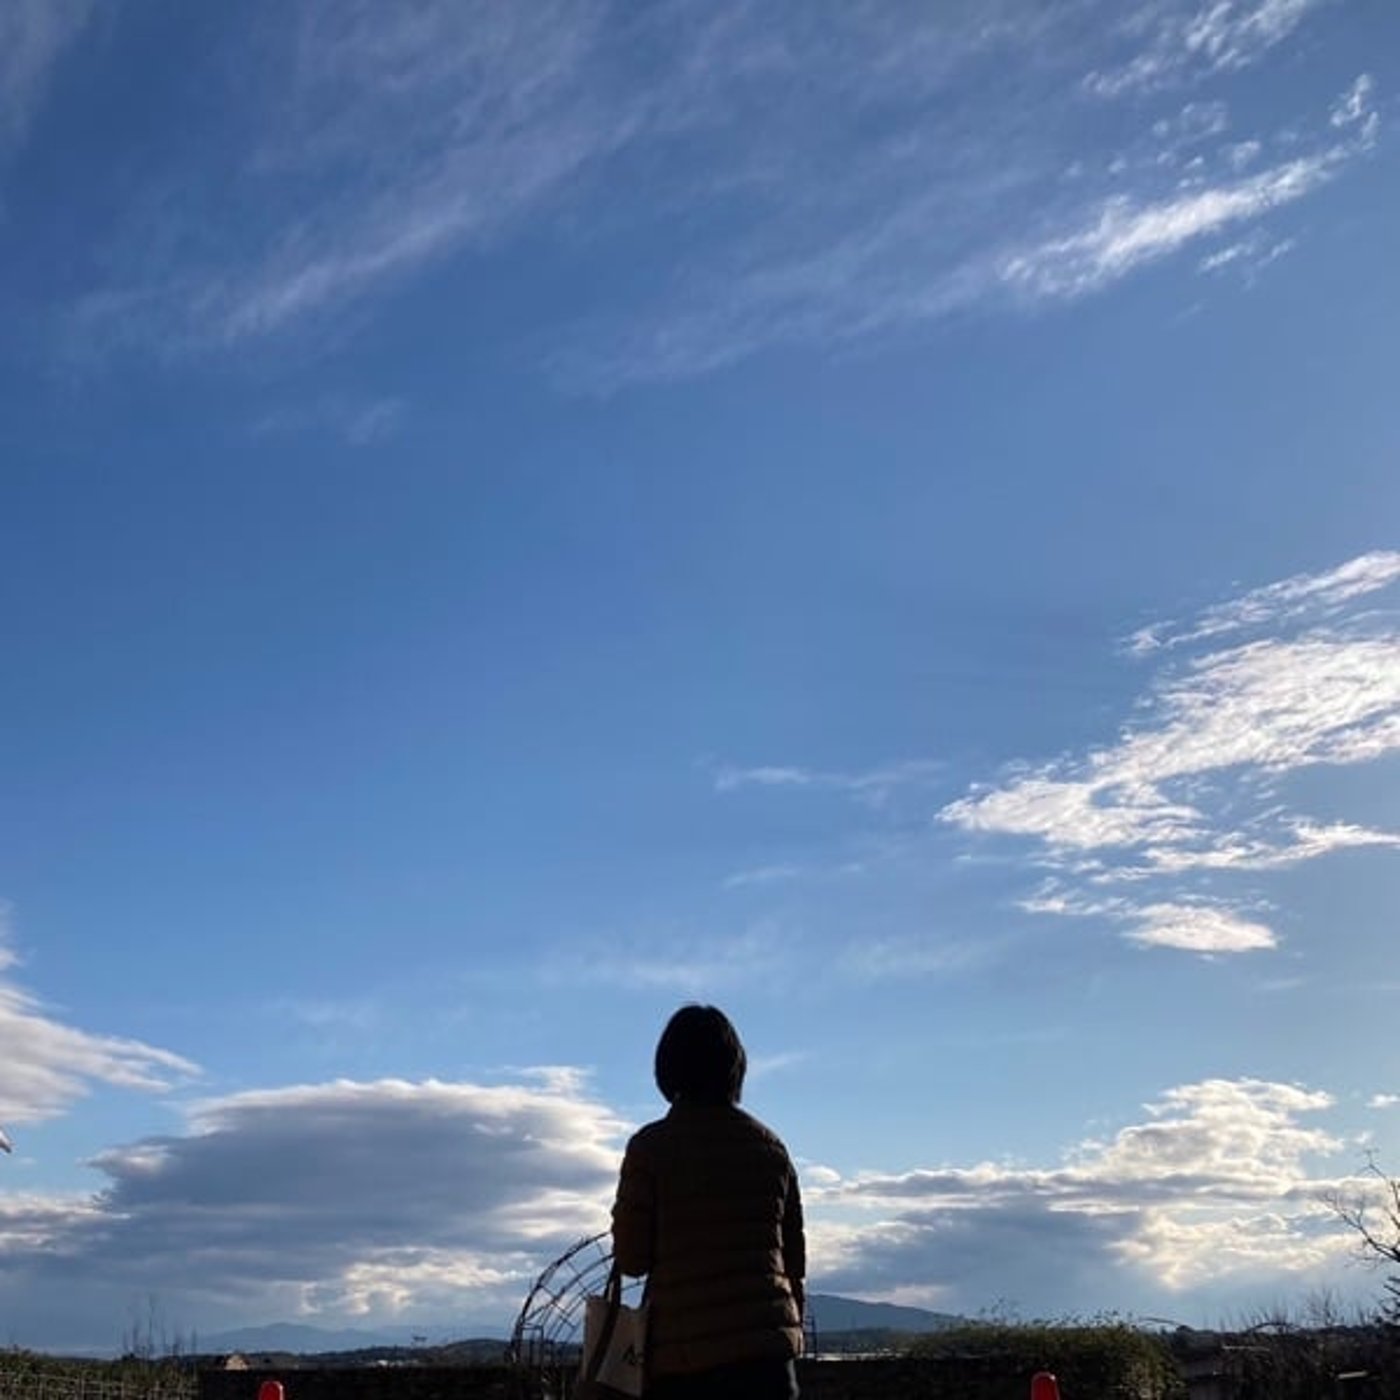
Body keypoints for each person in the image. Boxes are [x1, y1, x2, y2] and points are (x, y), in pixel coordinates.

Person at [611, 1004, 806, 1400]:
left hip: (684, 1362)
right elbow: (793, 1261)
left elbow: (632, 1259)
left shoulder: (651, 1148)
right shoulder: (771, 1149)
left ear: (667, 1069)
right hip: (768, 1363)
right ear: (736, 1068)